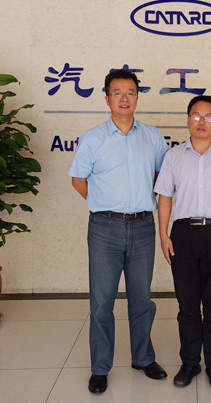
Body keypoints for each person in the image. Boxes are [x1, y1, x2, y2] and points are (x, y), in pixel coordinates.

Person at [67, 69, 169, 394]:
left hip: (143, 226)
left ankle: (143, 358)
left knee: (141, 299)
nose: (124, 98)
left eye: (130, 93)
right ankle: (100, 368)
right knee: (101, 302)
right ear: (107, 98)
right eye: (117, 93)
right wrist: (104, 203)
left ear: (137, 96)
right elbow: (78, 180)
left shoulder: (152, 137)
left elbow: (162, 178)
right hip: (104, 228)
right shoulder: (92, 138)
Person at [154, 95, 211, 390]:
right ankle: (190, 363)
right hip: (183, 234)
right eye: (196, 115)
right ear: (188, 120)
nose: (202, 122)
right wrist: (164, 235)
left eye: (208, 116)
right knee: (187, 305)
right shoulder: (173, 157)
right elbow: (164, 197)